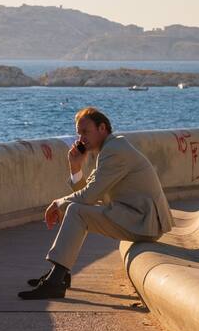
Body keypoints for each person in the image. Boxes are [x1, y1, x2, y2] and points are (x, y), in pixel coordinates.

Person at [18, 107, 174, 300]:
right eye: (79, 134)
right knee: (76, 210)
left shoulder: (115, 150)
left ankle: (55, 281)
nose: (81, 138)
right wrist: (75, 167)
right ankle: (59, 275)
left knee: (76, 211)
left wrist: (58, 203)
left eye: (85, 132)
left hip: (143, 222)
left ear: (102, 128)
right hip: (134, 216)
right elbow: (89, 192)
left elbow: (88, 197)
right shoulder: (109, 149)